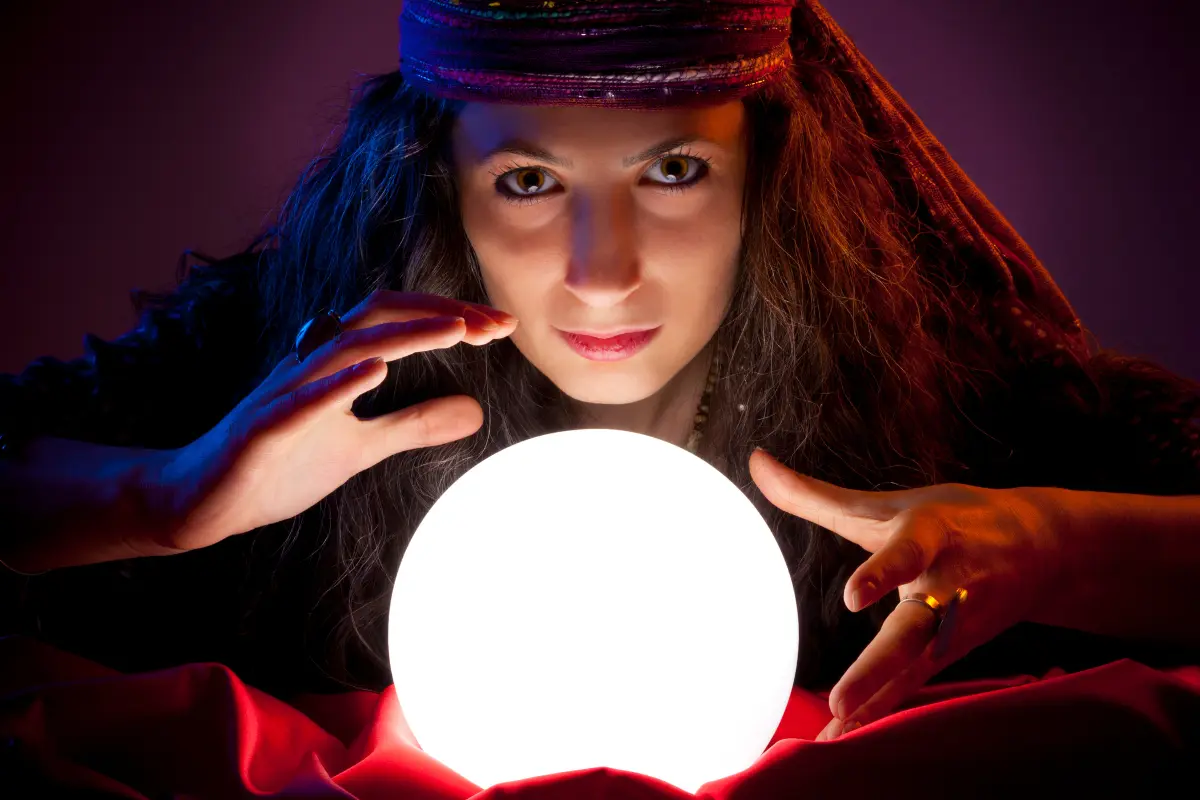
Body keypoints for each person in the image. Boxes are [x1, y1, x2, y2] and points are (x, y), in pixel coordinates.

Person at [1, 0, 1198, 744]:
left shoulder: (941, 385)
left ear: (767, 178)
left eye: (673, 170)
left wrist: (1056, 538)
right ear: (440, 186)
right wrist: (164, 496)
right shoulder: (305, 374)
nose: (604, 273)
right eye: (528, 181)